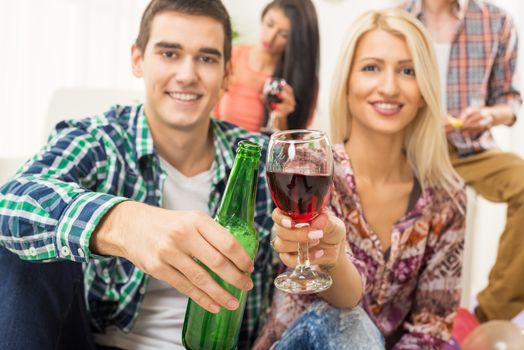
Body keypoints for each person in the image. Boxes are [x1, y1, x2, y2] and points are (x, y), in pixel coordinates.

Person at [0, 1, 336, 349]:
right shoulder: (100, 139)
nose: (187, 74)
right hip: (97, 343)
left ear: (227, 74)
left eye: (206, 58)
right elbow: (11, 200)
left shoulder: (260, 160)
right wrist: (123, 222)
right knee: (22, 245)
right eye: (169, 53)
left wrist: (325, 243)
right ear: (137, 59)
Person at [254, 8, 467, 350]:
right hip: (299, 342)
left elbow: (431, 328)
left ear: (425, 88)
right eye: (371, 68)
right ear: (348, 82)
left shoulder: (448, 199)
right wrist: (332, 255)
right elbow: (324, 304)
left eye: (408, 71)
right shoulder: (311, 174)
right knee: (346, 321)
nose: (388, 86)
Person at [403, 0, 524, 323]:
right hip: (411, 148)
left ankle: (488, 316)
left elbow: (510, 100)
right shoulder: (400, 18)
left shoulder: (497, 21)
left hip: (469, 149)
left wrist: (488, 115)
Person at [215, 0, 320, 132]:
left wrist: (281, 118)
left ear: (296, 41)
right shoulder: (232, 56)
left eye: (284, 35)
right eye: (270, 24)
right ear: (263, 16)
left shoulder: (303, 82)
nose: (270, 38)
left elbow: (290, 149)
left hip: (262, 151)